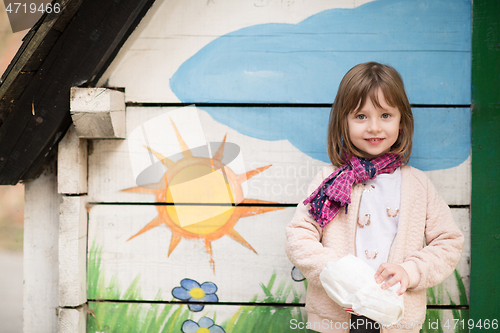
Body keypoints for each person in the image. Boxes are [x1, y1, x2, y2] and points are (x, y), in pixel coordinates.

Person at [285, 62, 464, 333]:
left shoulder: (417, 185)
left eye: (385, 115)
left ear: (401, 120)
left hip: (396, 319)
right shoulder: (330, 180)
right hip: (335, 319)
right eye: (360, 116)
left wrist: (410, 271)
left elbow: (448, 243)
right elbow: (298, 237)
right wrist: (334, 270)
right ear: (342, 122)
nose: (373, 127)